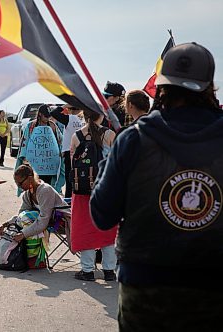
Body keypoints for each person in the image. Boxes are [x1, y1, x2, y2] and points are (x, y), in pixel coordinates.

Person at [90, 42, 223, 330]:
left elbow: (103, 215)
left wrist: (108, 164)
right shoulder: (131, 138)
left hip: (146, 289)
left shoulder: (133, 139)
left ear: (161, 88)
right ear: (210, 87)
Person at [70, 108, 116, 281]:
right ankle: (109, 270)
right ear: (101, 116)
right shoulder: (110, 134)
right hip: (107, 188)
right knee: (108, 229)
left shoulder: (76, 136)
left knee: (85, 228)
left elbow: (72, 164)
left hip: (82, 190)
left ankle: (87, 270)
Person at [0, 164, 68, 267]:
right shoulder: (28, 194)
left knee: (29, 217)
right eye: (17, 184)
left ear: (30, 178)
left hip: (62, 223)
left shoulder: (45, 190)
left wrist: (23, 234)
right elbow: (20, 215)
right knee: (24, 217)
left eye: (20, 183)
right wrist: (5, 225)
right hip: (47, 222)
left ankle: (36, 259)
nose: (19, 187)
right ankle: (31, 258)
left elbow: (43, 220)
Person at [16, 104, 64, 194]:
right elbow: (25, 142)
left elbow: (60, 140)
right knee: (34, 187)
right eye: (46, 116)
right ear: (40, 114)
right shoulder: (31, 126)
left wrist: (61, 152)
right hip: (35, 164)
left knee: (48, 188)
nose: (47, 118)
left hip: (50, 165)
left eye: (49, 116)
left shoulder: (53, 126)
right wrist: (24, 157)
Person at [50, 105, 86, 198]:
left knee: (70, 179)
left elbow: (53, 113)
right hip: (85, 151)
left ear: (69, 109)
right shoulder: (85, 119)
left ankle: (69, 200)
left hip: (69, 151)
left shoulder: (69, 119)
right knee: (82, 178)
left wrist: (65, 105)